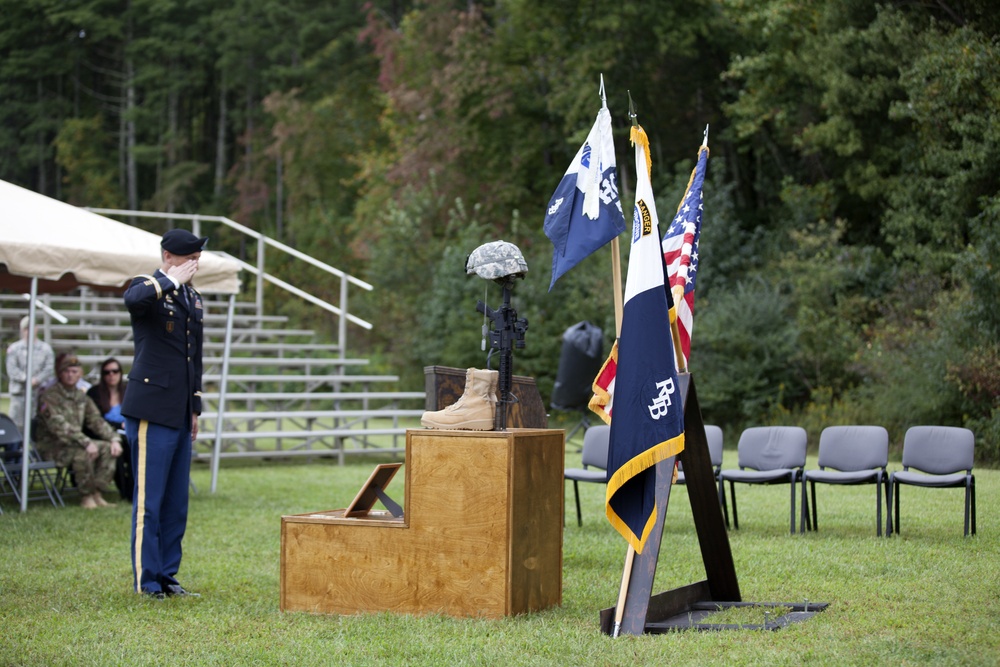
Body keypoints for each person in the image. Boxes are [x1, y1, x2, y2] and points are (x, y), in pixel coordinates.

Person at [122, 228, 207, 600]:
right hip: (151, 409)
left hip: (178, 410)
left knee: (175, 504)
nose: (195, 263)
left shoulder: (192, 297)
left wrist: (195, 408)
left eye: (197, 258)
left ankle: (168, 575)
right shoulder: (150, 285)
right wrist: (169, 279)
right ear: (169, 256)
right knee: (150, 503)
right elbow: (133, 301)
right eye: (189, 257)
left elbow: (195, 359)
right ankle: (147, 580)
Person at [34, 353, 124, 509]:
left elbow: (96, 421)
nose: (70, 375)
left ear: (80, 374)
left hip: (75, 443)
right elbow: (59, 426)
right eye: (66, 371)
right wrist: (86, 442)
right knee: (83, 453)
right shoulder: (49, 396)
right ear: (59, 374)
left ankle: (97, 491)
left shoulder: (81, 396)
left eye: (74, 371)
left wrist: (114, 439)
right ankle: (86, 496)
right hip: (53, 446)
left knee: (107, 449)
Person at [87, 357, 133, 502]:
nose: (111, 375)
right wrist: (118, 427)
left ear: (120, 373)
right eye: (107, 372)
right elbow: (94, 420)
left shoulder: (128, 391)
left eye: (115, 371)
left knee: (135, 450)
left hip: (128, 434)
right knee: (116, 452)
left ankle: (133, 492)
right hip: (105, 435)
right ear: (103, 375)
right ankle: (124, 491)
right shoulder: (94, 393)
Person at [5, 315, 55, 434]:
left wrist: (37, 380)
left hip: (39, 394)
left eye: (31, 327)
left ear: (36, 328)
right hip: (20, 394)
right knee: (15, 428)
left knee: (38, 427)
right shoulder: (14, 348)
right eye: (25, 328)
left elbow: (49, 368)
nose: (28, 331)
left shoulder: (45, 349)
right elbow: (12, 369)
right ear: (22, 330)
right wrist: (26, 379)